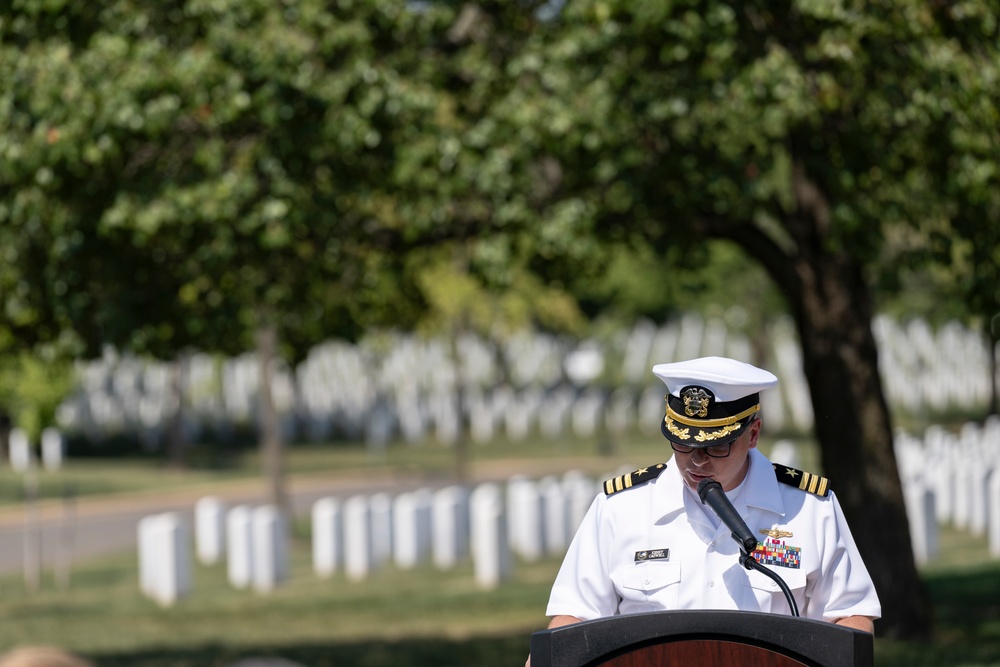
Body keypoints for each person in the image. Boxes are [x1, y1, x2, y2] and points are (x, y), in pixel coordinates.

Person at [526, 356, 880, 665]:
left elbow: (850, 618)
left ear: (753, 433)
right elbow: (572, 621)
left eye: (717, 446)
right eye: (682, 440)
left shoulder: (808, 508)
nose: (696, 460)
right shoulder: (621, 508)